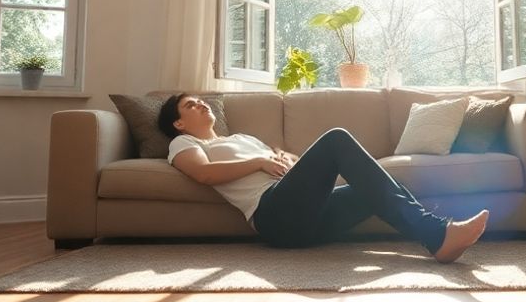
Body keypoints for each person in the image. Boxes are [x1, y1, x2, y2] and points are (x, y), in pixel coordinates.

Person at [157, 93, 489, 263]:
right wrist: (259, 160)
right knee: (336, 138)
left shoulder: (240, 138)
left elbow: (295, 169)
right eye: (190, 104)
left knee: (372, 186)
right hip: (274, 216)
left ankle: (438, 238)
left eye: (200, 101)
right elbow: (202, 173)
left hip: (304, 217)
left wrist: (288, 160)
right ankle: (439, 233)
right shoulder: (184, 143)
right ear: (179, 123)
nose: (200, 103)